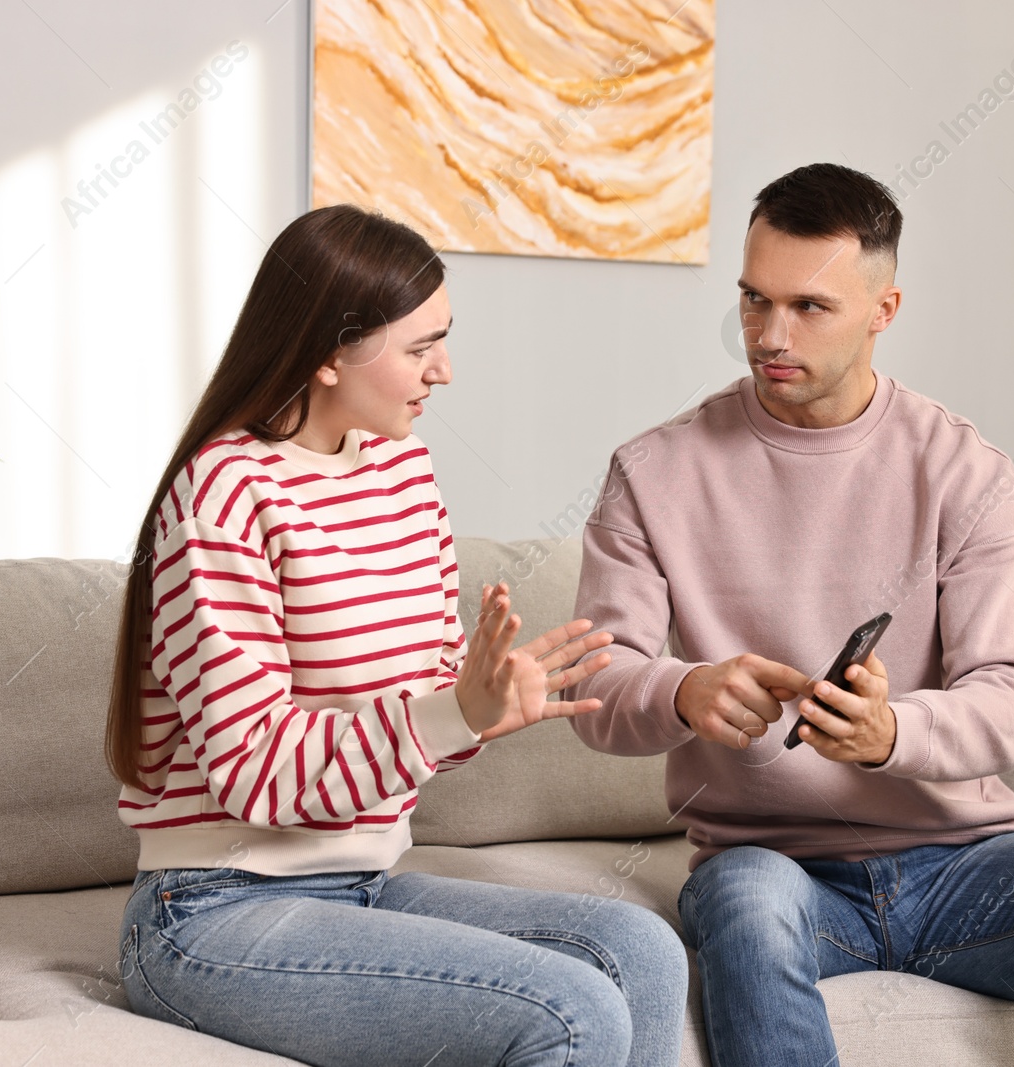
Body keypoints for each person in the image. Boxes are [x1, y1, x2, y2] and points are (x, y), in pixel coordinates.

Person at [562, 163, 1014, 1065]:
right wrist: (683, 691)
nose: (768, 334)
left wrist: (891, 731)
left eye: (808, 307)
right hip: (773, 867)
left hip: (966, 870)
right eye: (754, 300)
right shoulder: (653, 473)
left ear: (885, 308)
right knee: (749, 906)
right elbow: (596, 683)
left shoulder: (964, 473)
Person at [104, 203, 688, 1067]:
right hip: (215, 909)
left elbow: (421, 718)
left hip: (361, 884)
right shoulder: (224, 495)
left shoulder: (401, 470)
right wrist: (452, 712)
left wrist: (484, 703)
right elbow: (254, 769)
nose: (444, 370)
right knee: (569, 1013)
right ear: (332, 353)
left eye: (443, 340)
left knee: (642, 950)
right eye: (421, 347)